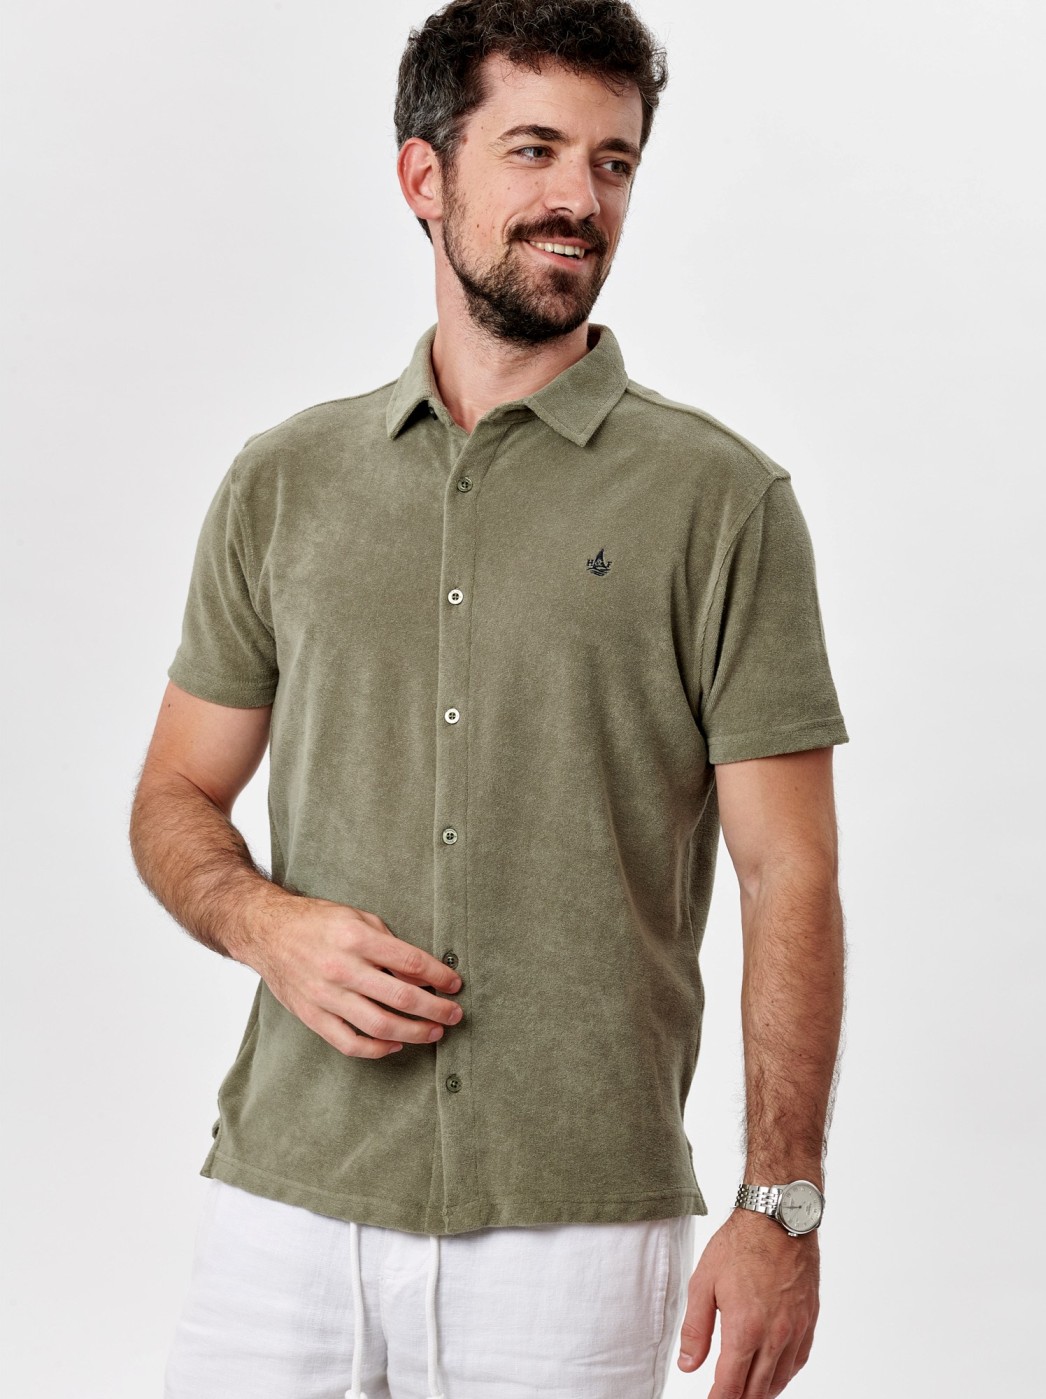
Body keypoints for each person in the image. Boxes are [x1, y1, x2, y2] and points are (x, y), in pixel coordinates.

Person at [129, 3, 850, 1397]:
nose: (581, 197)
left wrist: (782, 1205)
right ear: (425, 176)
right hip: (282, 1209)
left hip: (575, 1233)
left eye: (614, 162)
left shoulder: (723, 502)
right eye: (535, 150)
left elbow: (791, 873)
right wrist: (267, 926)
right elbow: (175, 794)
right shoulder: (285, 482)